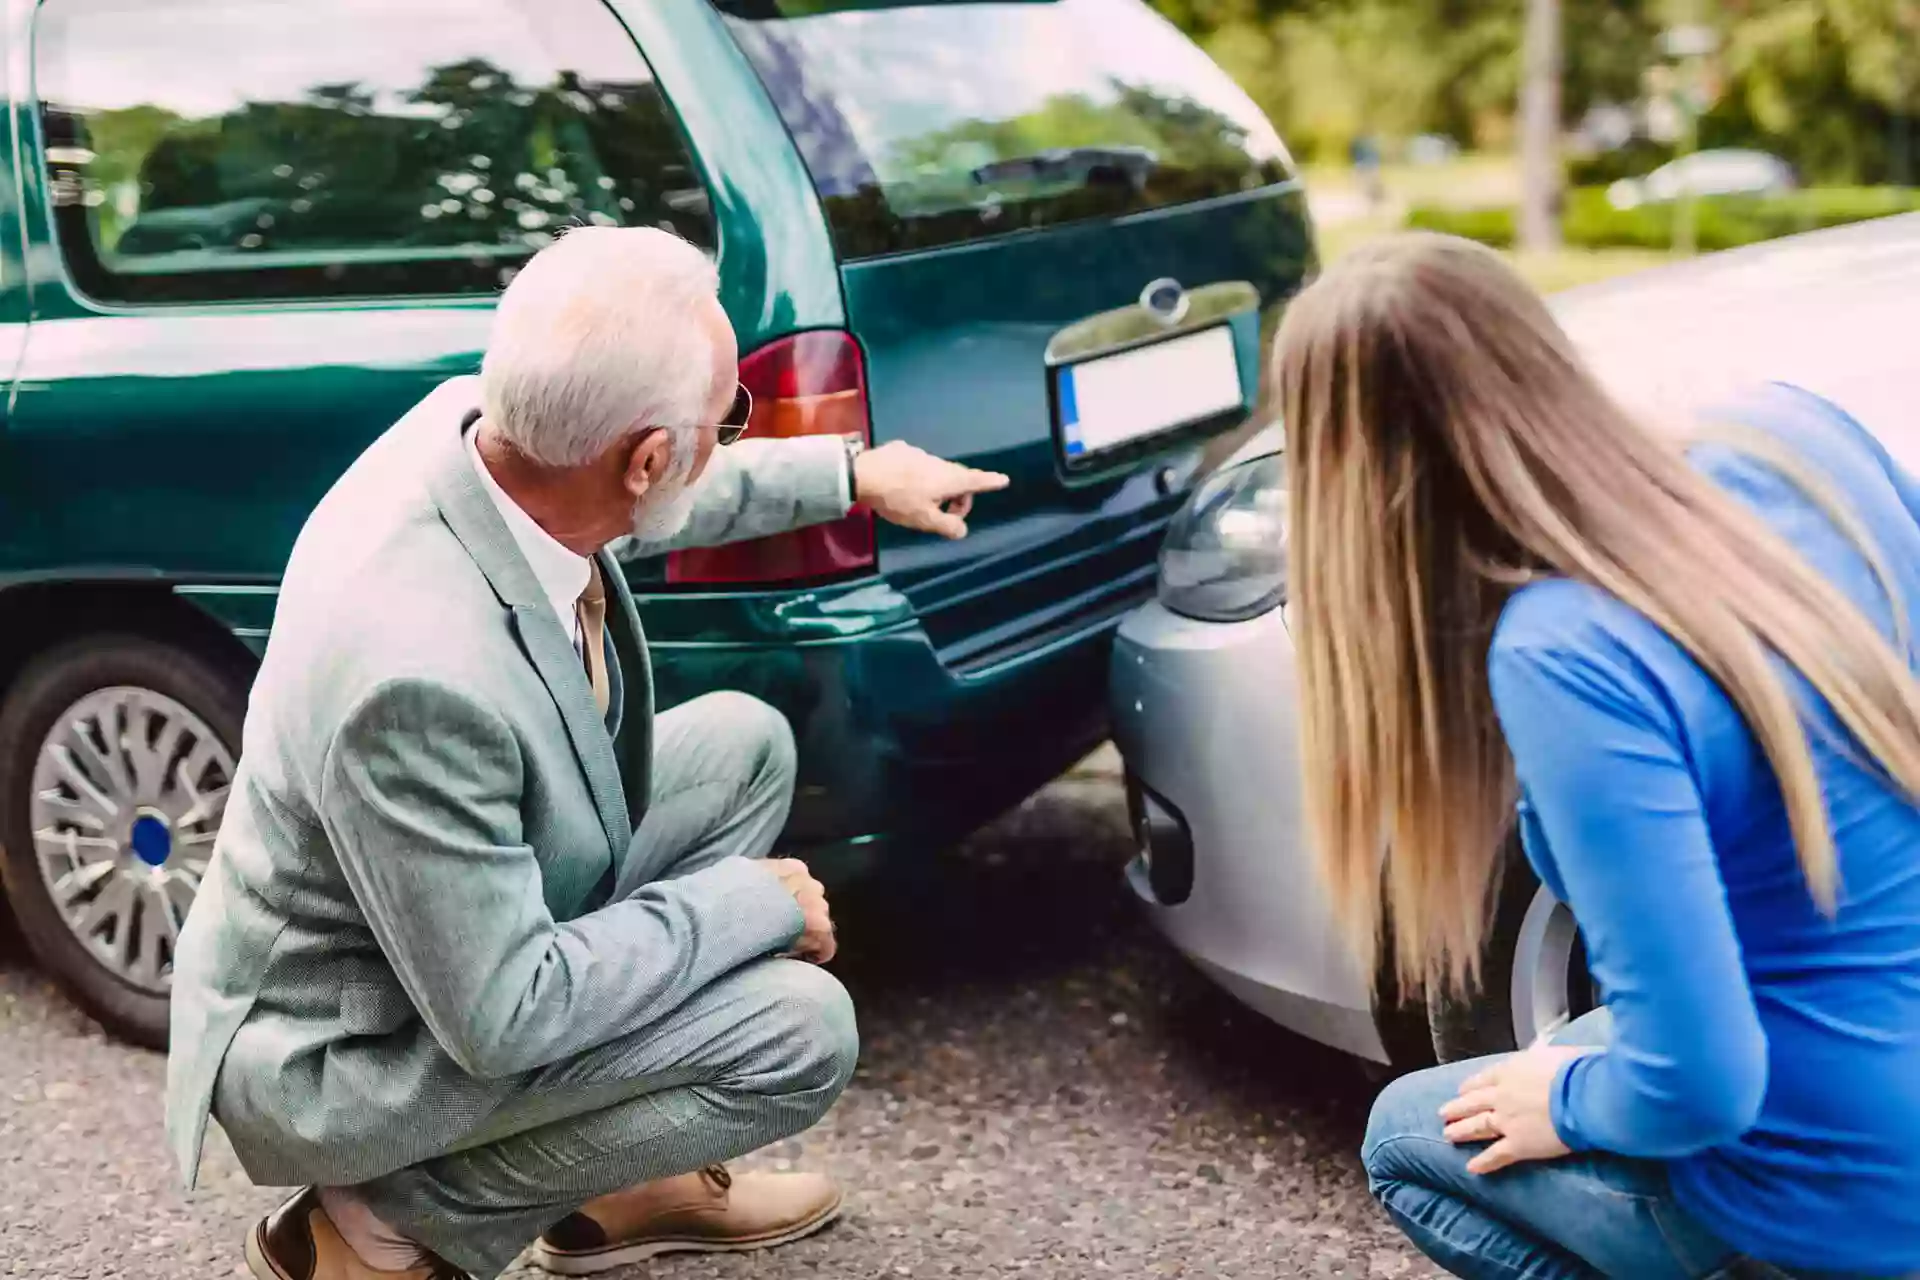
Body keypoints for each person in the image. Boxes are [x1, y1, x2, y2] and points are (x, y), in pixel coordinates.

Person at [164, 226, 1010, 1280]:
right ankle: (380, 1230)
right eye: (726, 418)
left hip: (436, 935)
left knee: (742, 746)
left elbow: (659, 493)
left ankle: (622, 1184)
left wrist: (853, 471)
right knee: (800, 1029)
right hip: (342, 1044)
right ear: (647, 454)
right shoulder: (416, 676)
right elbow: (504, 1011)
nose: (724, 437)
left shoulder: (485, 434)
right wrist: (749, 904)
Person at [1273, 233, 1920, 1279]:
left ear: (1352, 489)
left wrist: (1570, 1103)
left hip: (1866, 1192)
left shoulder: (1565, 649)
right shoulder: (1791, 433)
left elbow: (1700, 1079)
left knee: (1409, 1129)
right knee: (1582, 1032)